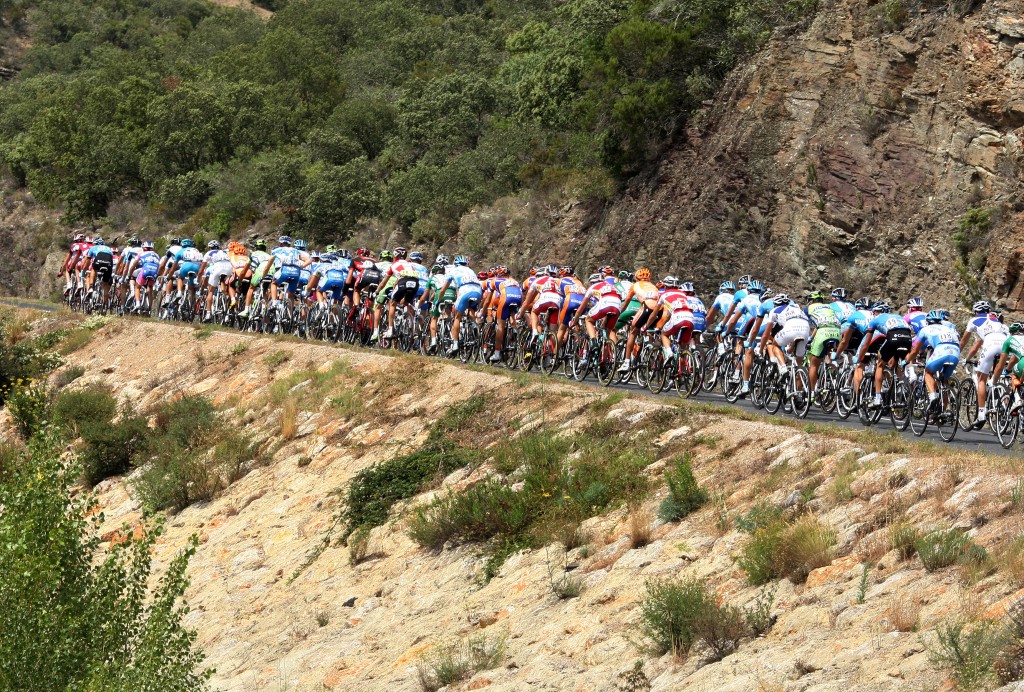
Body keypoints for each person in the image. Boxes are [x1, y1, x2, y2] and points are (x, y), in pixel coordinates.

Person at [960, 300, 1008, 429]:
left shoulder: (974, 320)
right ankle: (1003, 401)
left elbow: (964, 340)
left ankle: (981, 413)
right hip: (1004, 344)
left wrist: (958, 354)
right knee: (998, 376)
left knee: (981, 379)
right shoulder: (995, 320)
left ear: (976, 311)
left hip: (991, 344)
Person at [855, 302, 912, 410]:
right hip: (908, 338)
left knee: (880, 365)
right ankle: (900, 385)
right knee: (896, 360)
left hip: (894, 336)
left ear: (874, 313)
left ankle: (877, 398)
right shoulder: (898, 316)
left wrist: (859, 358)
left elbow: (866, 343)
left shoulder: (874, 320)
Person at [906, 310, 961, 415]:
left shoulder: (925, 329)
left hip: (941, 351)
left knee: (928, 372)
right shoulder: (949, 328)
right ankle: (944, 410)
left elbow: (915, 350)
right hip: (955, 353)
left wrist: (906, 362)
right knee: (944, 380)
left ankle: (933, 397)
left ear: (928, 321)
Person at [434, 255, 481, 356]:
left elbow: (443, 289)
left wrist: (438, 300)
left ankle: (455, 344)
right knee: (470, 308)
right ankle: (474, 324)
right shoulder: (471, 270)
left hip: (465, 290)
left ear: (455, 264)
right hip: (478, 291)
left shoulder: (453, 271)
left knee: (457, 317)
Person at [617, 268, 660, 373]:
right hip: (659, 310)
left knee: (633, 332)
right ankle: (654, 358)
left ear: (636, 278)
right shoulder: (654, 287)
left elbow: (626, 302)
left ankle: (626, 363)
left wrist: (619, 313)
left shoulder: (634, 285)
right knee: (652, 331)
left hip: (646, 308)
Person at [805, 290, 842, 399]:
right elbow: (821, 324)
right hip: (837, 331)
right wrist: (811, 337)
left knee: (813, 363)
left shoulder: (809, 308)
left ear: (811, 301)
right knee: (829, 355)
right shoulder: (830, 307)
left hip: (823, 332)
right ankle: (833, 375)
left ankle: (811, 393)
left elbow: (802, 323)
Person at [992, 322, 1024, 414]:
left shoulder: (1009, 340)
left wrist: (994, 380)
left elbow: (1001, 364)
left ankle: (1017, 399)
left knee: (1014, 374)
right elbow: (1014, 359)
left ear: (1012, 332)